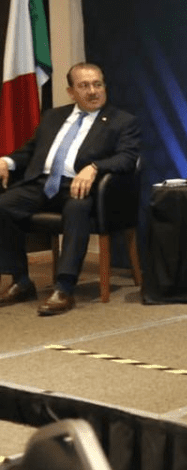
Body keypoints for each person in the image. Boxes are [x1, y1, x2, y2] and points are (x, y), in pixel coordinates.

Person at [0, 63, 140, 315]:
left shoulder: (122, 121)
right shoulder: (53, 117)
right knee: (4, 206)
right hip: (43, 184)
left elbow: (128, 158)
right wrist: (6, 161)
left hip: (82, 188)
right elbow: (31, 151)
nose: (93, 91)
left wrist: (95, 167)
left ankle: (64, 288)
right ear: (71, 92)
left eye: (97, 84)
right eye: (84, 86)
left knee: (77, 209)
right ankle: (21, 280)